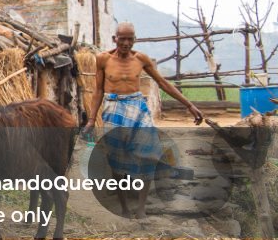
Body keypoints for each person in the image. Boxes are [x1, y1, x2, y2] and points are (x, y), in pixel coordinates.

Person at [84, 22, 203, 218]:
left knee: (149, 154)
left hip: (138, 107)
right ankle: (124, 207)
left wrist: (189, 105)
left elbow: (163, 83)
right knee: (116, 160)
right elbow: (98, 91)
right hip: (114, 108)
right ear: (115, 39)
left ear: (135, 39)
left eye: (130, 39)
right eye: (122, 39)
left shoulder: (141, 59)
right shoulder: (103, 59)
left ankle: (141, 208)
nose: (126, 43)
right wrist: (91, 120)